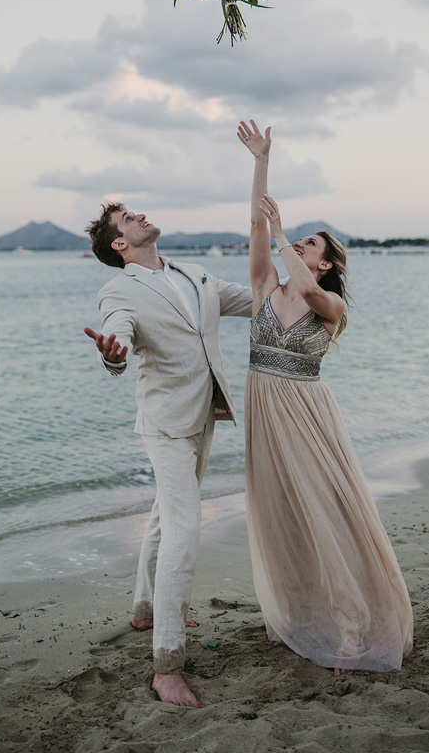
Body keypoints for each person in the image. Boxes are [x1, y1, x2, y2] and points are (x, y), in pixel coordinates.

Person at [237, 119, 413, 673]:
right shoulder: (267, 285)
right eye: (298, 241)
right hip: (263, 410)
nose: (297, 246)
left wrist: (286, 228)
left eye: (309, 244)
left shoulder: (331, 306)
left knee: (324, 513)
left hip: (306, 414)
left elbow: (308, 289)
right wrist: (261, 161)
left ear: (325, 262)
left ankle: (353, 632)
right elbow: (256, 224)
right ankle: (293, 615)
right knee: (280, 512)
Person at [83, 203, 252, 706]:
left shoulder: (195, 274)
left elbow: (257, 299)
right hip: (165, 423)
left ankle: (144, 609)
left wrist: (308, 283)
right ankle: (167, 663)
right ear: (119, 244)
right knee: (184, 525)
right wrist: (112, 355)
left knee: (163, 514)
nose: (139, 216)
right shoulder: (119, 289)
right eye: (127, 218)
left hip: (204, 414)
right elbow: (120, 334)